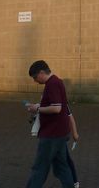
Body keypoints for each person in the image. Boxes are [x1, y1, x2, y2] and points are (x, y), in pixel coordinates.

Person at [25, 60, 76, 188]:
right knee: (61, 167)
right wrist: (39, 105)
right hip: (60, 133)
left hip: (51, 134)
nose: (35, 81)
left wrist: (36, 109)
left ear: (42, 73)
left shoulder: (52, 84)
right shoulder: (56, 82)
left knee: (40, 168)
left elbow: (56, 108)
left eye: (35, 77)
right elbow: (56, 105)